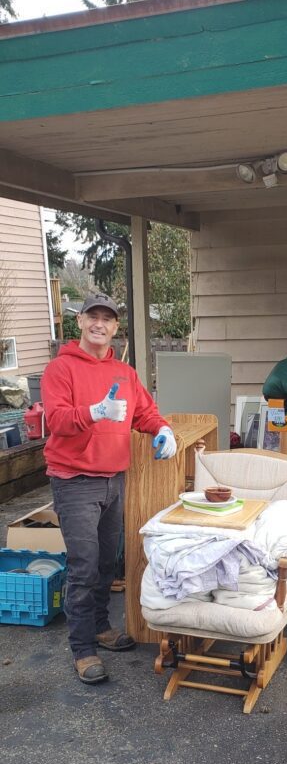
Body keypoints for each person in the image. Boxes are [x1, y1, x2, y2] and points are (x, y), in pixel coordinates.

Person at [41, 293, 177, 686]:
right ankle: (83, 649)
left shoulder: (125, 373)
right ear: (80, 322)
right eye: (93, 317)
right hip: (74, 481)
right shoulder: (60, 369)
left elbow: (144, 412)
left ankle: (100, 626)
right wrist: (95, 412)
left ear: (116, 327)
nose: (100, 324)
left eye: (108, 319)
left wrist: (162, 429)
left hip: (114, 479)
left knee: (106, 563)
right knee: (84, 566)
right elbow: (59, 420)